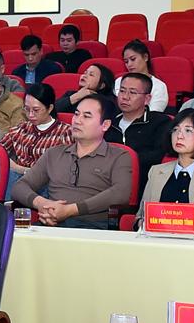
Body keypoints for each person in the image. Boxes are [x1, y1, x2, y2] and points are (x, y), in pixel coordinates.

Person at [12, 94, 133, 228]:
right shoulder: (54, 153)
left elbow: (120, 193)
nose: (77, 121)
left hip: (93, 227)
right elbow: (19, 187)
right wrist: (44, 205)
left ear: (105, 125)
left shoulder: (119, 156)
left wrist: (69, 210)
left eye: (86, 116)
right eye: (76, 114)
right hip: (51, 224)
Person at [104, 71, 172, 189]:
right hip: (106, 181)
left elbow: (158, 155)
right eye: (122, 91)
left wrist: (123, 161)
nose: (125, 97)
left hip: (144, 183)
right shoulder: (109, 123)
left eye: (132, 92)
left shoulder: (160, 122)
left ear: (147, 99)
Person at [0, 83, 73, 179]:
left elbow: (67, 168)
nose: (30, 115)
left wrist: (20, 169)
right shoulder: (21, 129)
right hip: (19, 179)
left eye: (36, 110)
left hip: (47, 182)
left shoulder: (65, 133)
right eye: (27, 109)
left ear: (50, 108)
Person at [114, 40, 168, 112]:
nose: (129, 64)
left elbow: (154, 113)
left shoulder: (159, 86)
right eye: (126, 61)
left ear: (145, 57)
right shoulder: (119, 81)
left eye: (133, 59)